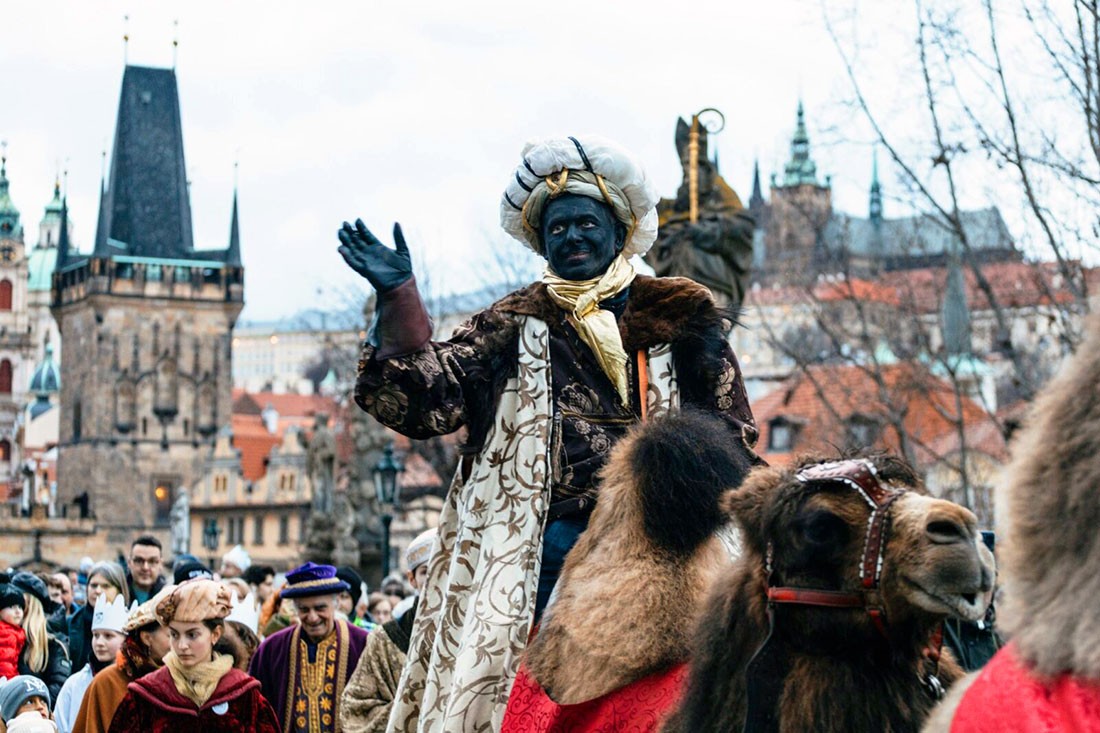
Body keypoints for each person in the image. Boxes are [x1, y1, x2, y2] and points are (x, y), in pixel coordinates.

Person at [339, 134, 757, 731]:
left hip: (669, 530)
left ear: (617, 231)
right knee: (534, 679)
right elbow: (431, 398)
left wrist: (678, 478)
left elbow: (732, 430)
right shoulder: (514, 322)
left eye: (585, 223)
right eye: (556, 230)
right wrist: (399, 301)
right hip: (548, 537)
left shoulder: (680, 314)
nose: (572, 237)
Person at [106, 579, 279, 732]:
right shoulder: (146, 696)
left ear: (215, 634)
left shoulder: (244, 696)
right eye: (174, 634)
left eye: (192, 635)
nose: (181, 646)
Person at [248, 563, 369, 732]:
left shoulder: (363, 644)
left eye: (320, 608)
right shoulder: (271, 649)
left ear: (336, 603)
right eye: (304, 609)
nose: (312, 617)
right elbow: (256, 711)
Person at [340, 528, 437, 733]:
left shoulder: (478, 636)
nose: (437, 578)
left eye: (445, 568)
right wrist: (410, 708)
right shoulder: (384, 639)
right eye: (426, 571)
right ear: (412, 579)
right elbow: (354, 708)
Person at [70, 587, 174, 733]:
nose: (180, 644)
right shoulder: (107, 682)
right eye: (172, 635)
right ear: (147, 638)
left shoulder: (180, 680)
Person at [53, 595, 128, 733]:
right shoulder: (75, 683)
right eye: (96, 635)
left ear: (125, 639)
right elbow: (60, 724)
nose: (99, 642)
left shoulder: (131, 682)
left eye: (108, 636)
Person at [10, 574, 70, 706]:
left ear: (30, 605)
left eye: (17, 601)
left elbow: (58, 691)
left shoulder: (53, 644)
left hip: (36, 719)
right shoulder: (6, 637)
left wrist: (25, 707)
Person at [67, 564, 128, 675]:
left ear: (119, 590)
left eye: (106, 586)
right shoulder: (71, 622)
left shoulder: (131, 623)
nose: (98, 591)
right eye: (94, 585)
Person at [125, 537, 166, 605]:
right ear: (129, 563)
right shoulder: (117, 592)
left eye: (152, 561)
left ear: (161, 564)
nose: (145, 568)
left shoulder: (168, 596)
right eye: (139, 561)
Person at [1, 583, 26, 680]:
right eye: (12, 606)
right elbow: (5, 664)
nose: (18, 611)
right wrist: (13, 681)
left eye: (20, 607)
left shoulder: (14, 631)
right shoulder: (5, 633)